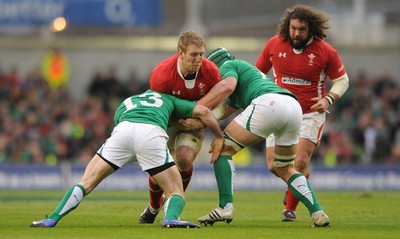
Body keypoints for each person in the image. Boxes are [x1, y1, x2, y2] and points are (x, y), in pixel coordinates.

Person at [30, 89, 224, 228]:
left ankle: (52, 218)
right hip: (150, 133)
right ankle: (171, 218)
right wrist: (218, 135)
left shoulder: (128, 101)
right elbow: (204, 112)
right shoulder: (169, 99)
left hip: (123, 130)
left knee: (86, 182)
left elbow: (118, 121)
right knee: (176, 190)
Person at [192, 47, 329, 227]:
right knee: (285, 167)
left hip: (269, 103)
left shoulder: (227, 66)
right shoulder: (244, 73)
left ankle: (225, 207)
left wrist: (196, 107)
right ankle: (317, 212)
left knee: (222, 148)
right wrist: (198, 119)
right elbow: (221, 111)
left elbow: (227, 86)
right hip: (292, 106)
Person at [255, 4, 349, 222]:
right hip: (277, 110)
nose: (296, 33)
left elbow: (342, 80)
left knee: (300, 161)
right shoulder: (273, 44)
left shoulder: (326, 51)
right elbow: (257, 73)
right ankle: (295, 184)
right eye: (293, 28)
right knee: (274, 165)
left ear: (311, 30)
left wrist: (328, 99)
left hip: (309, 113)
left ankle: (290, 209)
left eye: (302, 29)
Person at [139, 30, 222, 224]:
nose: (199, 59)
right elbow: (157, 107)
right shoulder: (161, 75)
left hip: (195, 123)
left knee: (184, 159)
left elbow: (219, 104)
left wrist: (201, 122)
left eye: (201, 54)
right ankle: (154, 206)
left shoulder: (210, 72)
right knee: (160, 168)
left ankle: (174, 200)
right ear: (180, 53)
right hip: (169, 121)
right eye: (194, 54)